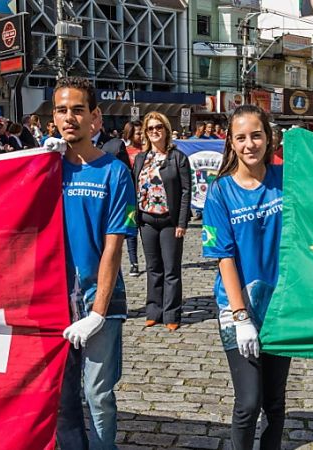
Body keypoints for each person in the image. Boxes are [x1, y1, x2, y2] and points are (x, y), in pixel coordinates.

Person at [52, 76, 136, 450]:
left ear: (96, 118)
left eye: (77, 110)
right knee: (62, 395)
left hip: (99, 299)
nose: (69, 118)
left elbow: (113, 247)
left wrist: (98, 311)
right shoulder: (46, 168)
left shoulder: (115, 173)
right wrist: (36, 161)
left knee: (97, 393)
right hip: (53, 300)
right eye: (61, 110)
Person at [202, 104, 290, 450]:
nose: (249, 144)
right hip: (237, 309)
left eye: (256, 135)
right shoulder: (220, 192)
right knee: (248, 402)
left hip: (280, 309)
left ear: (269, 139)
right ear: (231, 143)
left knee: (275, 403)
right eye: (241, 137)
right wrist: (241, 318)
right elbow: (223, 257)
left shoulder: (286, 181)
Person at [132, 112, 191, 330]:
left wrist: (182, 223)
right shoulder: (141, 158)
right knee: (153, 268)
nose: (155, 131)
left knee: (171, 269)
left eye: (159, 127)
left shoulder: (177, 158)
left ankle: (171, 314)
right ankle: (153, 310)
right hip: (147, 220)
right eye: (150, 128)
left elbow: (186, 191)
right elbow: (134, 188)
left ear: (166, 130)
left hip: (170, 221)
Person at [123, 120, 144, 276]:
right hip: (129, 198)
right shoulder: (125, 151)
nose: (141, 135)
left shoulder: (148, 150)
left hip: (146, 197)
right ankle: (133, 262)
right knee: (131, 230)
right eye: (138, 133)